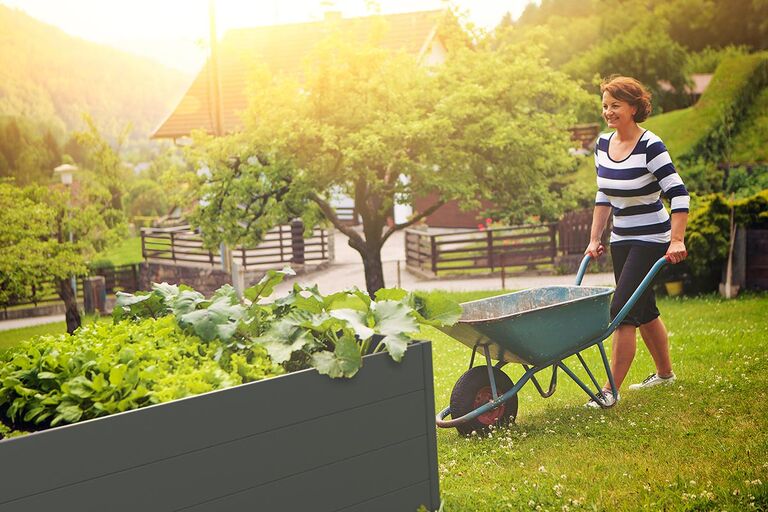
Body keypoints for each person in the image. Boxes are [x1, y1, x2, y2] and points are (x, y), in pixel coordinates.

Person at [584, 76, 689, 408]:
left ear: (633, 107)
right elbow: (604, 194)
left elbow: (679, 194)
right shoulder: (602, 144)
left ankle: (608, 390)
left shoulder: (650, 145)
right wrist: (594, 238)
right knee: (643, 309)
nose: (608, 112)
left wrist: (676, 240)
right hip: (622, 239)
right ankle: (665, 375)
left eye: (615, 105)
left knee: (621, 311)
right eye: (605, 105)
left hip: (652, 238)